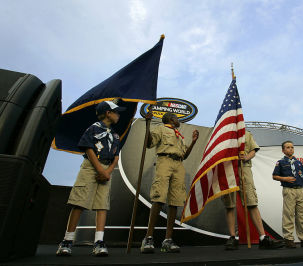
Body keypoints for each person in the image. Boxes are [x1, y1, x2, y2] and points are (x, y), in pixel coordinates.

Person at [56, 100, 125, 256]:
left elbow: (116, 156)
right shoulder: (93, 129)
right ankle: (67, 240)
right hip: (91, 167)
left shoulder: (115, 135)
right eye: (116, 112)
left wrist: (107, 172)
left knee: (102, 205)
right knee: (79, 202)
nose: (118, 115)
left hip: (107, 169)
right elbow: (88, 148)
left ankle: (99, 241)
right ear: (108, 113)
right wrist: (100, 169)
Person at [140, 112, 199, 253]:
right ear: (171, 119)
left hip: (178, 164)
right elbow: (149, 143)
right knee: (159, 197)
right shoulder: (161, 129)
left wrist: (193, 141)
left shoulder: (179, 134)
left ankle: (168, 240)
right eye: (177, 118)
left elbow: (184, 156)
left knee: (175, 201)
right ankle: (148, 238)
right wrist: (147, 125)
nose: (178, 120)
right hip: (164, 161)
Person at [222, 131, 284, 250]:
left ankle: (263, 238)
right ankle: (232, 237)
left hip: (244, 168)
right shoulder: (225, 130)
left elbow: (253, 150)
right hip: (228, 168)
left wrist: (246, 157)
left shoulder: (245, 133)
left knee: (251, 202)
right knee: (229, 204)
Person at [272, 140, 303, 248]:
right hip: (289, 190)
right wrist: (284, 178)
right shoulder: (280, 162)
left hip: (300, 190)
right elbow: (274, 176)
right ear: (283, 150)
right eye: (288, 147)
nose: (290, 149)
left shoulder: (298, 163)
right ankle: (288, 239)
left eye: (292, 147)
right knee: (288, 214)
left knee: (302, 215)